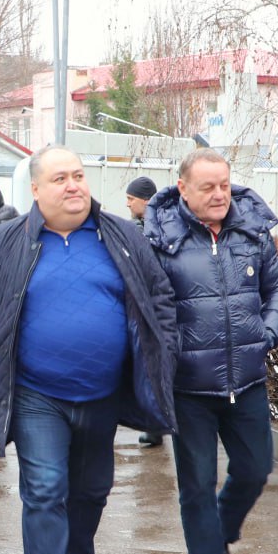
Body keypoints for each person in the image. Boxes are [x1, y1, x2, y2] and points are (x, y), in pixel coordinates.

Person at [0, 145, 177, 554]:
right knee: (46, 487)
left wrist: (166, 354)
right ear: (35, 190)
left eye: (78, 174)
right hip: (37, 392)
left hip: (103, 392)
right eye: (60, 178)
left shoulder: (121, 237)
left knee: (93, 488)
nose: (73, 185)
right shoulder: (2, 242)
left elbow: (159, 298)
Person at [143, 147, 278, 554]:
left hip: (246, 379)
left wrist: (267, 332)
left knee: (254, 469)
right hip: (190, 388)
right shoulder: (162, 238)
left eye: (224, 184)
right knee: (196, 487)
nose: (219, 195)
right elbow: (148, 308)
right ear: (183, 188)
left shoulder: (251, 231)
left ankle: (218, 536)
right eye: (207, 186)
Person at [125, 176, 165, 447]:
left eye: (131, 199)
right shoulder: (135, 226)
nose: (127, 204)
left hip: (154, 307)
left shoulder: (159, 227)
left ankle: (156, 423)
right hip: (140, 306)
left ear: (146, 200)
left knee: (152, 366)